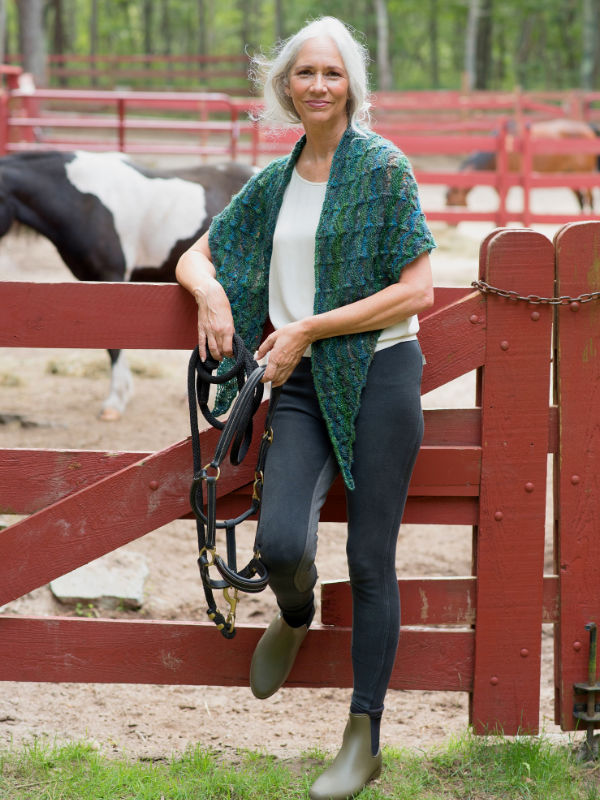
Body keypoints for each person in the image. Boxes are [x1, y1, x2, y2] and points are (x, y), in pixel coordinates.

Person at [176, 16, 435, 800]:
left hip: (382, 377)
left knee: (370, 559)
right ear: (284, 86)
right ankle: (293, 611)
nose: (318, 85)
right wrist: (212, 289)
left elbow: (418, 289)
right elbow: (196, 251)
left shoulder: (386, 170)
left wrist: (308, 329)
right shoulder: (274, 182)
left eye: (331, 72)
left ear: (351, 83)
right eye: (303, 73)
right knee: (283, 541)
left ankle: (364, 737)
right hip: (297, 385)